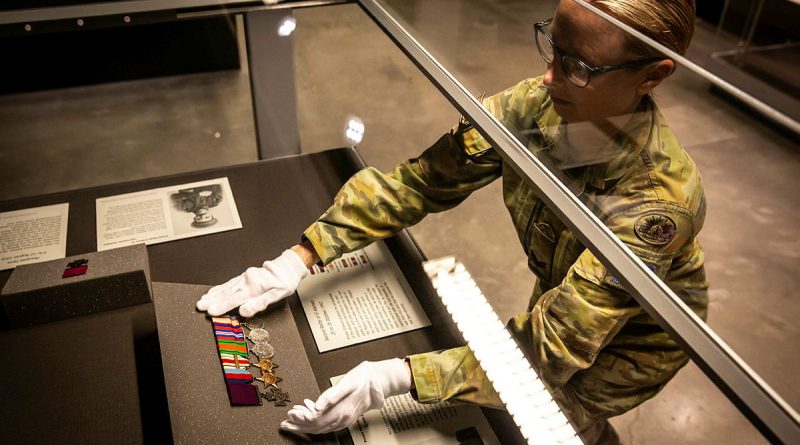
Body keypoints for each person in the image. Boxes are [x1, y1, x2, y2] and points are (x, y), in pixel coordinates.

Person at [196, 0, 708, 443]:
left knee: (558, 416)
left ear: (653, 75)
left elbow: (553, 349)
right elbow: (423, 182)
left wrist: (397, 378)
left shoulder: (657, 205)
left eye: (578, 65)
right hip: (561, 288)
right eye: (553, 46)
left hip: (631, 344)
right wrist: (299, 258)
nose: (549, 76)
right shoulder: (540, 104)